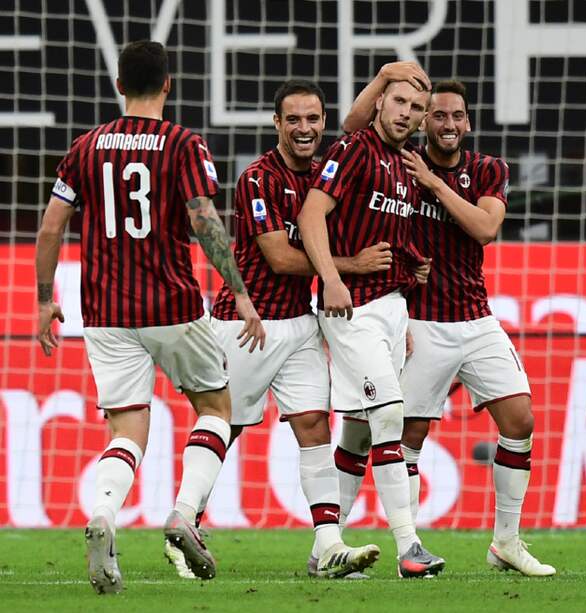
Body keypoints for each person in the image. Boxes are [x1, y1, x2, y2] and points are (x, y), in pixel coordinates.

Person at [35, 41, 265, 594]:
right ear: (168, 84)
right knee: (214, 406)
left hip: (105, 312)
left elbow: (48, 229)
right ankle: (185, 514)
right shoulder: (183, 144)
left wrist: (45, 299)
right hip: (172, 305)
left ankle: (104, 514)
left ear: (118, 87)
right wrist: (242, 294)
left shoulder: (85, 148)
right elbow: (205, 221)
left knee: (127, 427)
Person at [163, 80, 392, 580]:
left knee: (314, 426)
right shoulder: (257, 179)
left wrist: (384, 78)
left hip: (301, 325)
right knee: (226, 426)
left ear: (323, 123)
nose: (305, 129)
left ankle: (328, 546)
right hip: (247, 325)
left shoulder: (327, 173)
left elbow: (361, 127)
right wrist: (351, 266)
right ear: (277, 124)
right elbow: (279, 256)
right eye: (294, 119)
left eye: (313, 119)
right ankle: (184, 522)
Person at [342, 75, 555, 576]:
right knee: (406, 436)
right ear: (421, 119)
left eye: (457, 116)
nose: (448, 124)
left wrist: (434, 184)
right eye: (437, 115)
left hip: (477, 320)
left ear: (468, 122)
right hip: (421, 321)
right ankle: (409, 551)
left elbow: (484, 228)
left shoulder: (486, 169)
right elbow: (352, 128)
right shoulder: (396, 163)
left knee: (520, 420)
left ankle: (506, 542)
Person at [296, 72, 446, 578]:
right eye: (398, 101)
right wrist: (332, 276)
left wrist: (411, 269)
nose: (405, 112)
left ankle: (323, 553)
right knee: (390, 415)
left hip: (390, 309)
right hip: (350, 309)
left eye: (415, 107)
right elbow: (312, 213)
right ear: (380, 102)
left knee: (359, 435)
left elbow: (385, 234)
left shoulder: (405, 166)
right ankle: (409, 547)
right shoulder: (357, 147)